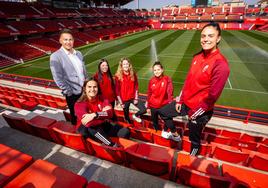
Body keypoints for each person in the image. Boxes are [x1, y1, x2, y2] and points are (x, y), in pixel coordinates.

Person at [176, 22, 230, 156]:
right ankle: (172, 134)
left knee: (194, 139)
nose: (205, 39)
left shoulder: (221, 64)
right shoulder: (197, 57)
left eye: (210, 36)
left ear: (218, 39)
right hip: (186, 103)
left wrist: (194, 114)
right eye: (203, 36)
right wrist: (179, 100)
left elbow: (212, 96)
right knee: (164, 112)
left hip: (199, 110)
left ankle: (192, 158)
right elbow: (188, 80)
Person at [75, 79, 130, 146]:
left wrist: (95, 114)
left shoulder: (102, 99)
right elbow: (88, 123)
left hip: (101, 125)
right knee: (92, 128)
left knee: (125, 132)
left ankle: (105, 140)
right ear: (84, 89)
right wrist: (103, 115)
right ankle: (111, 144)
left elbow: (110, 113)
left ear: (98, 88)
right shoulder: (79, 104)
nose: (92, 89)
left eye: (95, 87)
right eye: (89, 87)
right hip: (86, 129)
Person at [50, 28, 88, 125]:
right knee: (75, 117)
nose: (68, 42)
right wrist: (69, 92)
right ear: (60, 41)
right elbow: (57, 78)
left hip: (84, 91)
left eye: (70, 39)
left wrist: (86, 85)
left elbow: (84, 71)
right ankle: (77, 135)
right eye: (65, 39)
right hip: (72, 94)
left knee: (86, 114)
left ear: (73, 40)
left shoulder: (78, 53)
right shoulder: (55, 56)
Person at [147, 61, 181, 142]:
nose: (156, 72)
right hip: (153, 106)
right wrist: (148, 106)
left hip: (163, 106)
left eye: (158, 69)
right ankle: (156, 134)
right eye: (155, 70)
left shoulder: (167, 79)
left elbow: (170, 91)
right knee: (154, 122)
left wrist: (170, 102)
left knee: (168, 121)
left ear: (162, 70)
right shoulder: (151, 81)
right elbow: (149, 93)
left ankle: (174, 134)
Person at [114, 57, 146, 124]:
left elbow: (136, 86)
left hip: (133, 98)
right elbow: (117, 91)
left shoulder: (133, 74)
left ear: (129, 65)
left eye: (127, 64)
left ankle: (135, 115)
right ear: (121, 66)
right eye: (124, 64)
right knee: (126, 117)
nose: (125, 65)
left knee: (143, 110)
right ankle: (129, 125)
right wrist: (121, 102)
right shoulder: (118, 76)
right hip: (124, 100)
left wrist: (136, 98)